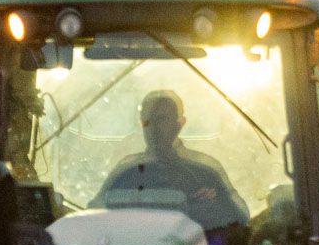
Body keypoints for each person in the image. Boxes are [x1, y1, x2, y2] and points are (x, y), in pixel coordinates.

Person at [97, 89, 245, 230]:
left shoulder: (207, 171)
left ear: (179, 124)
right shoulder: (124, 172)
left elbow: (240, 220)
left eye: (162, 119)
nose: (153, 127)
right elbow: (93, 216)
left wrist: (215, 204)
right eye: (147, 120)